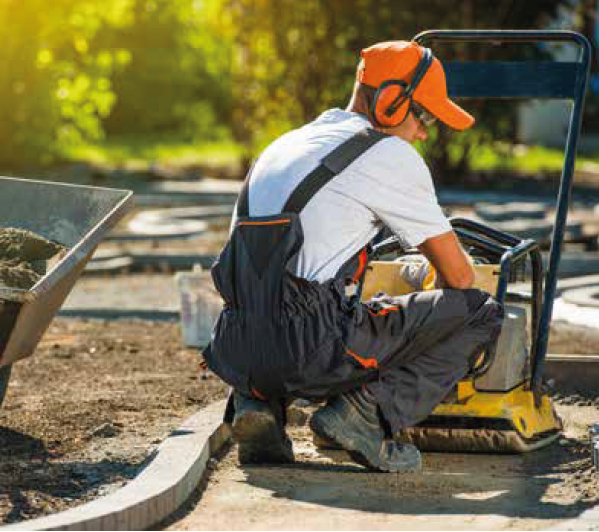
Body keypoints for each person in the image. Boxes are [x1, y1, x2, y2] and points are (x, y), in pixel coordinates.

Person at [203, 40, 504, 472]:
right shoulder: (387, 154)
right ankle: (364, 413)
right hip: (307, 348)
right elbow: (458, 277)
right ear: (390, 101)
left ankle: (258, 404)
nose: (423, 133)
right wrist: (423, 323)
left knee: (303, 300)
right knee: (479, 312)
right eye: (423, 118)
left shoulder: (285, 144)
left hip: (236, 345)